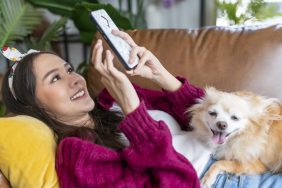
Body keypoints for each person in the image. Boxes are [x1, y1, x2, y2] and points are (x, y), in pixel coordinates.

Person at [1, 30, 203, 188]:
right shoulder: (79, 157)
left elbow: (216, 118)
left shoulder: (113, 99)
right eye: (55, 78)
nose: (76, 80)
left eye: (69, 69)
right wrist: (135, 115)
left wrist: (161, 76)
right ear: (33, 106)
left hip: (230, 152)